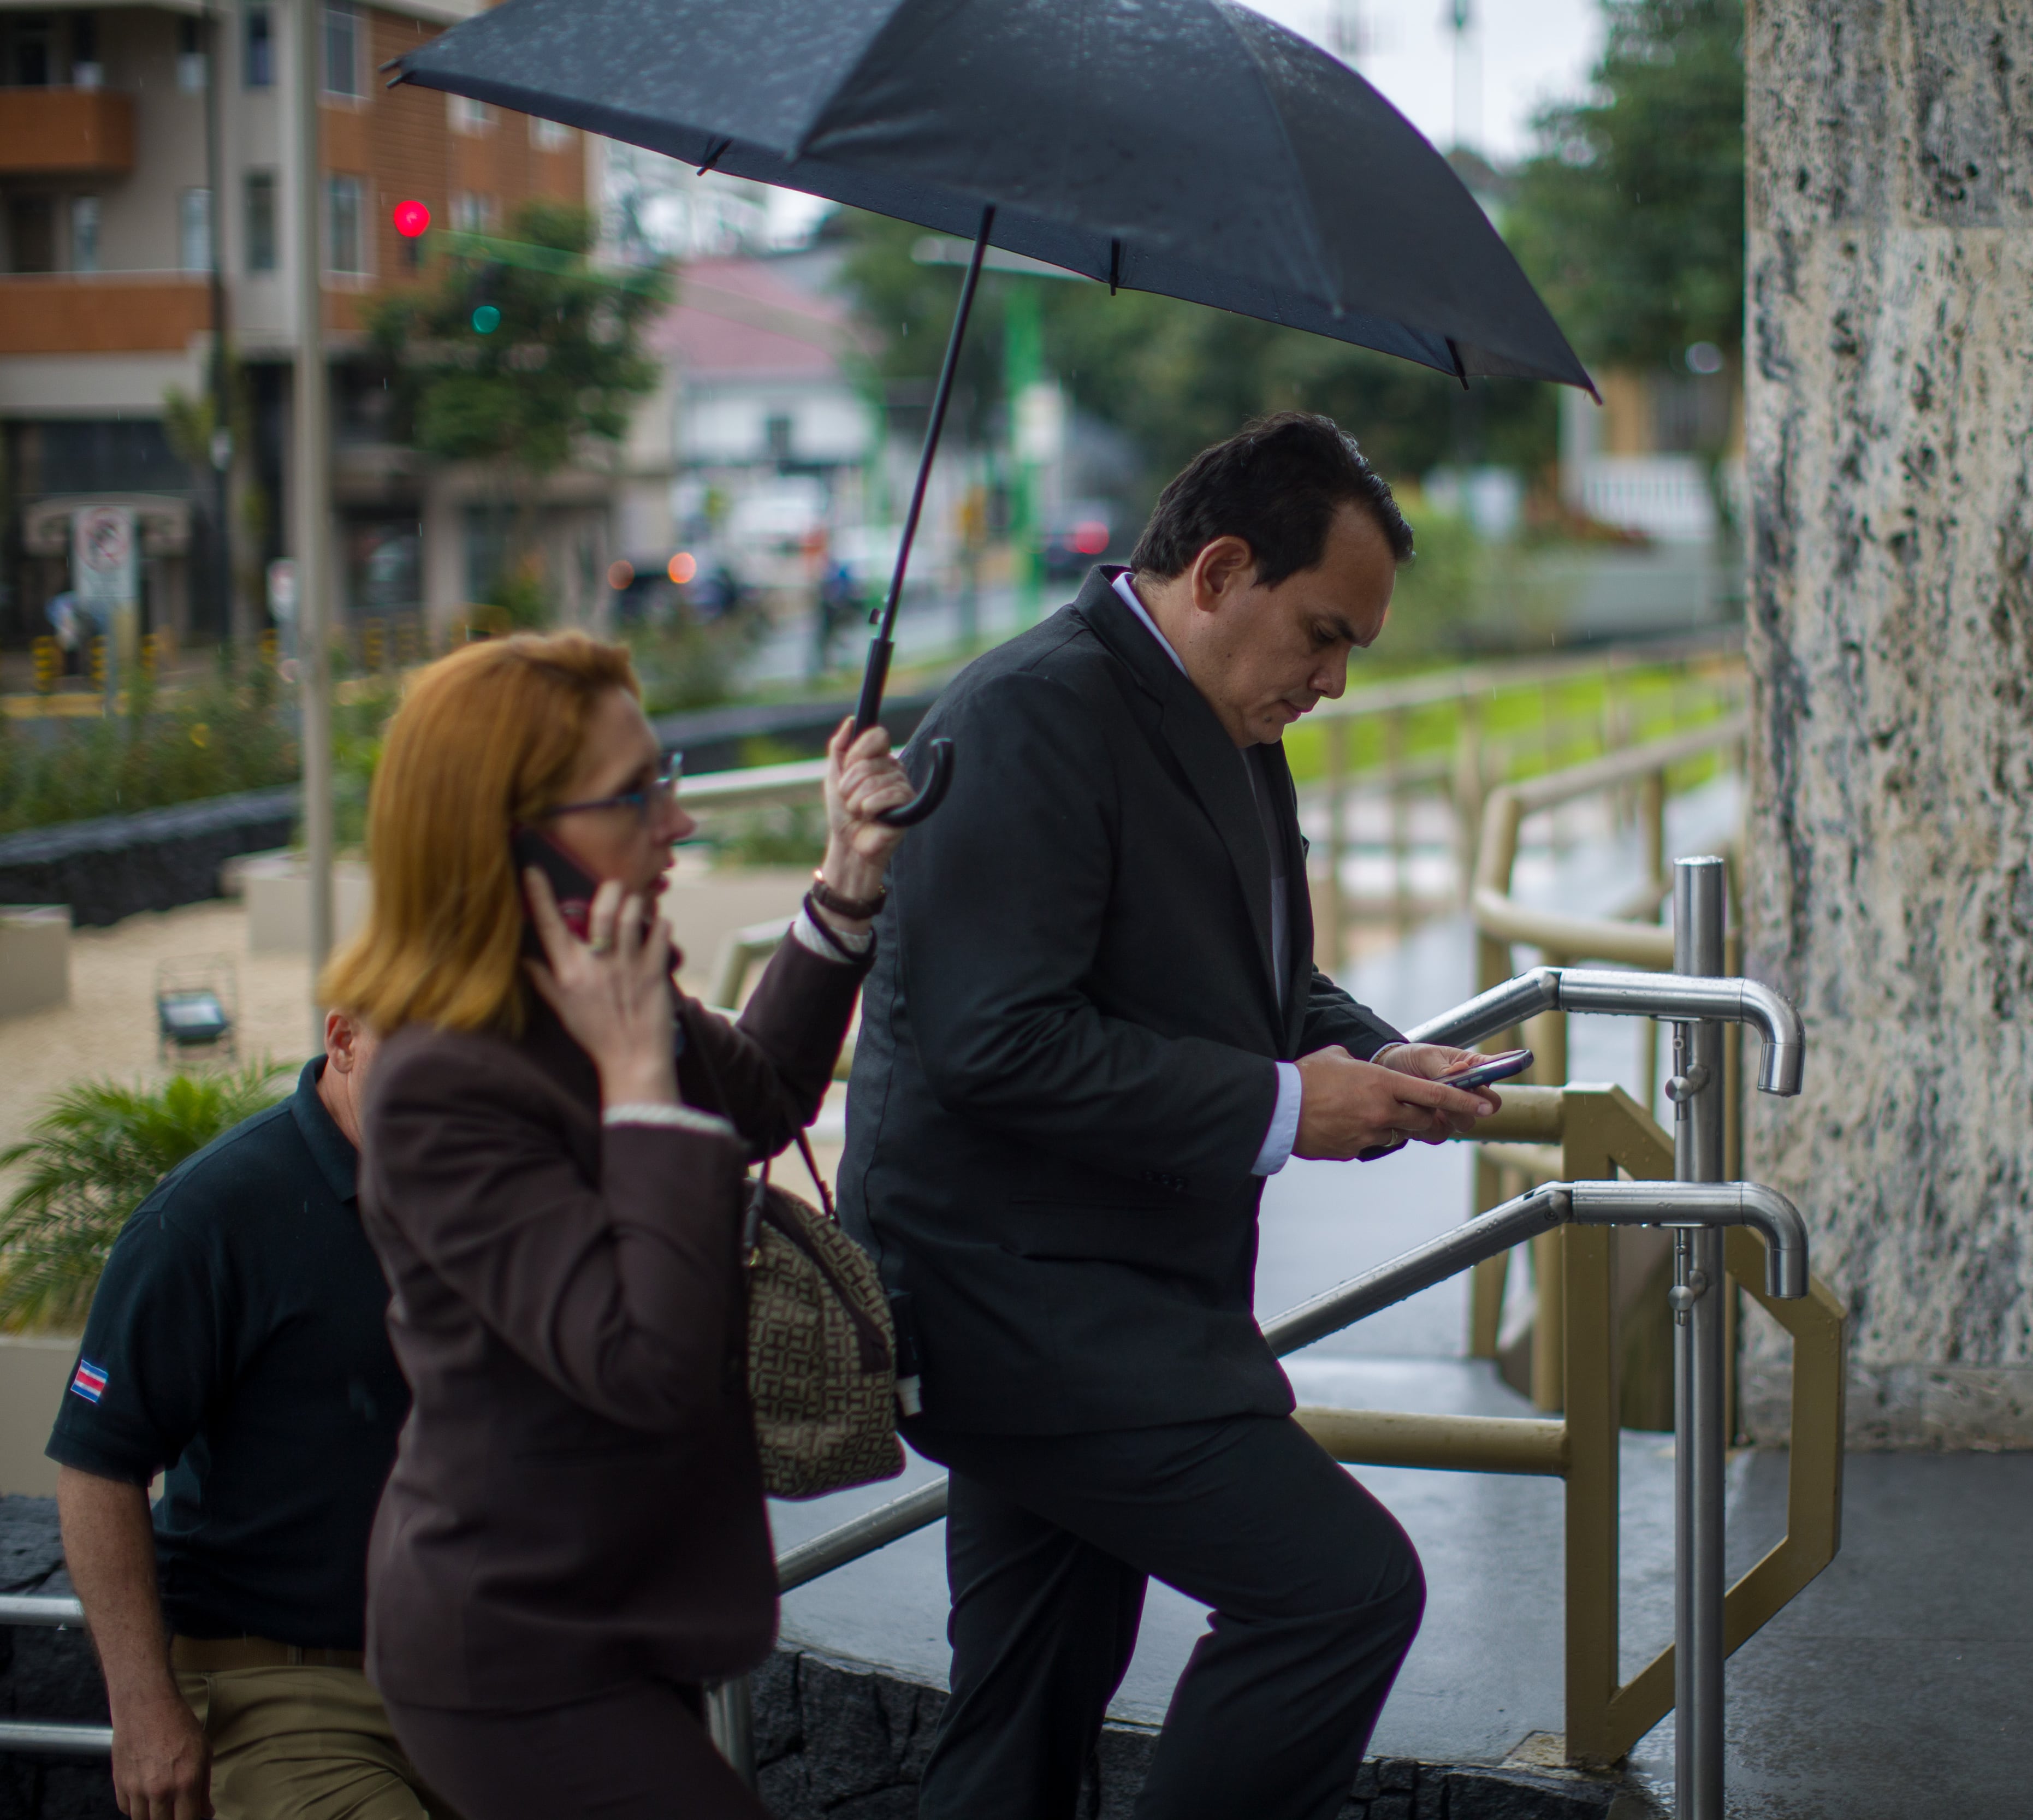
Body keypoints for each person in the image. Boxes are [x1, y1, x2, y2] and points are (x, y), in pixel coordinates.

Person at [840, 413, 1503, 1820]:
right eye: (1322, 634)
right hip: (1020, 1305)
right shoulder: (1024, 715)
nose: (1329, 680)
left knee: (1026, 1706)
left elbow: (1245, 964)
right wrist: (1285, 1102)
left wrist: (1380, 1054)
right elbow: (990, 1042)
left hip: (1107, 1294)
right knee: (1342, 1589)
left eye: (1350, 652)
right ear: (1218, 569)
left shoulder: (1211, 706)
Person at [328, 632, 914, 1820]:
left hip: (633, 1605)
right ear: (514, 834)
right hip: (514, 1651)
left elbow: (759, 1095)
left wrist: (847, 885)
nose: (678, 822)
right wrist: (640, 1077)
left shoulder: (596, 989)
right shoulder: (441, 1080)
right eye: (637, 792)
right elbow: (639, 1362)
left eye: (670, 773)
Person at [52, 1014, 452, 1820]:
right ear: (343, 1039)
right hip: (276, 1689)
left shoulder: (488, 1192)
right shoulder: (208, 1214)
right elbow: (98, 1463)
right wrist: (141, 1710)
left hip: (479, 1685)